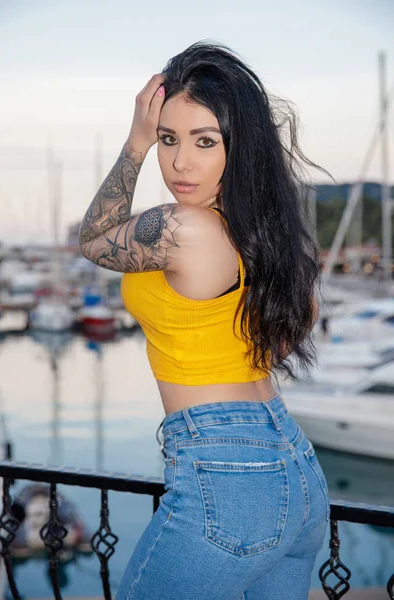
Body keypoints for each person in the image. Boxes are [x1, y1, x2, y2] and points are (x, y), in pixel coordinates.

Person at [79, 40, 332, 600]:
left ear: (239, 148)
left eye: (205, 141)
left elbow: (93, 239)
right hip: (294, 464)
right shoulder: (267, 238)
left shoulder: (183, 228)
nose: (180, 161)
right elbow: (286, 337)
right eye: (168, 139)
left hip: (228, 473)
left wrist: (136, 142)